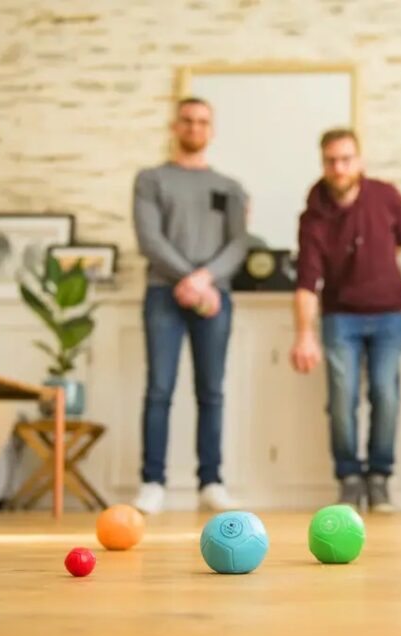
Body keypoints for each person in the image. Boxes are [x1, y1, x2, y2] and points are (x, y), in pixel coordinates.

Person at [131, 97, 249, 514]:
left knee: (211, 392)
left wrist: (203, 280)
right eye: (187, 121)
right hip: (164, 294)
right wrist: (188, 278)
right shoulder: (150, 180)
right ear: (174, 127)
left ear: (211, 130)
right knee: (159, 388)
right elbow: (150, 239)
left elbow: (239, 243)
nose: (195, 128)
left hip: (214, 298)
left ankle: (211, 482)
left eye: (203, 122)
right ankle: (152, 482)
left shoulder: (230, 188)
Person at [289, 128, 401, 512]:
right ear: (323, 163)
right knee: (341, 400)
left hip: (389, 314)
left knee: (385, 394)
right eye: (331, 160)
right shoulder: (313, 216)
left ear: (359, 161)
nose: (339, 167)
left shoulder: (387, 197)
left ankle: (379, 477)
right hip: (340, 317)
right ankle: (349, 478)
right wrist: (303, 335)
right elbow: (308, 282)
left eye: (346, 159)